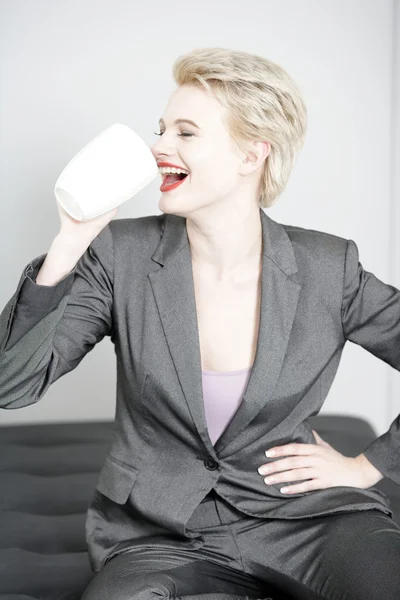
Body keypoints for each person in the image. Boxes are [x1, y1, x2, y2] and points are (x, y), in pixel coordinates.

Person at [1, 47, 400, 600]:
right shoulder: (118, 254)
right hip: (159, 534)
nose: (158, 147)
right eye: (161, 129)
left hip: (308, 522)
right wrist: (71, 238)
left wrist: (368, 465)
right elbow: (12, 385)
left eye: (185, 133)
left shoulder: (330, 268)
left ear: (251, 153)